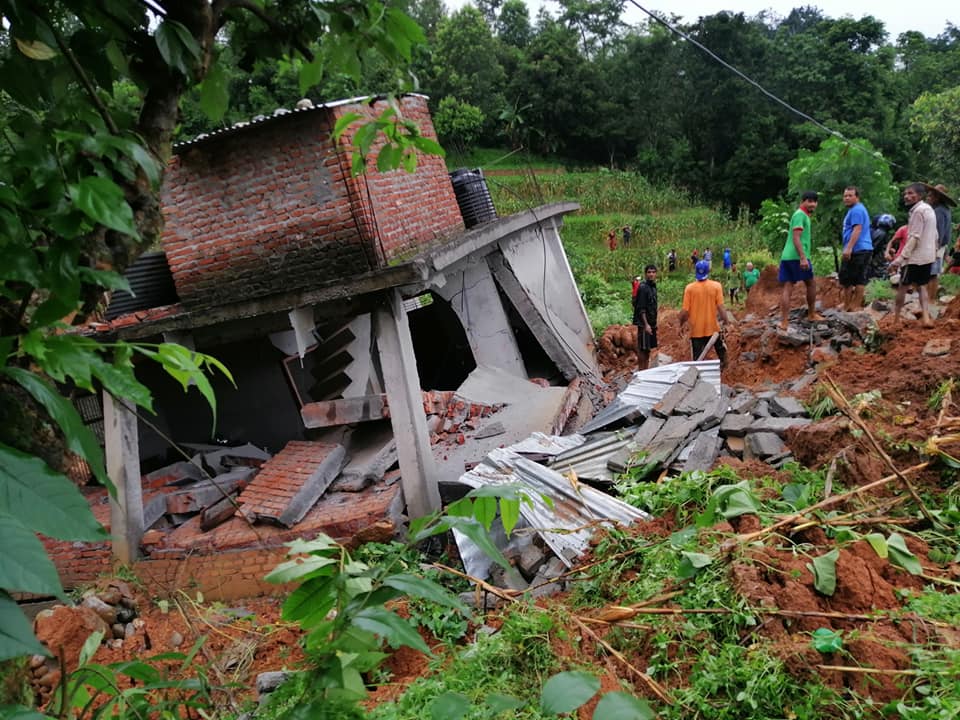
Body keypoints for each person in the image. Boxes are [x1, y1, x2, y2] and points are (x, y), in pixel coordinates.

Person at [891, 183, 938, 328]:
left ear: (920, 195)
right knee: (922, 286)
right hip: (927, 256)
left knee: (903, 286)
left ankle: (896, 319)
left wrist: (900, 258)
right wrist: (934, 251)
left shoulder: (918, 212)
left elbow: (914, 237)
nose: (907, 196)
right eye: (905, 193)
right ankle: (926, 317)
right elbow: (935, 234)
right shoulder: (929, 209)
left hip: (914, 258)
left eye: (911, 193)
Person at [779, 190, 824, 329]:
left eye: (815, 202)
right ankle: (811, 314)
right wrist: (803, 258)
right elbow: (796, 237)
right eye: (809, 201)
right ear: (802, 202)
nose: (813, 204)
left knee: (788, 286)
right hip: (797, 256)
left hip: (787, 256)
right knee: (811, 283)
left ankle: (784, 322)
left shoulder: (801, 215)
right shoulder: (800, 215)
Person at [679, 260, 734, 367]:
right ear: (708, 271)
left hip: (696, 330)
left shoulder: (689, 288)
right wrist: (727, 323)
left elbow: (685, 311)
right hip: (713, 329)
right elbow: (721, 307)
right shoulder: (716, 286)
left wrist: (680, 325)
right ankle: (725, 372)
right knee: (722, 355)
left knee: (698, 361)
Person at [838, 186, 872, 311]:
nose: (846, 198)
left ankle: (848, 306)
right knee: (859, 279)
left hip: (857, 249)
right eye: (845, 196)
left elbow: (857, 229)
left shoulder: (856, 210)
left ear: (857, 197)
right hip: (865, 248)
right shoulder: (858, 209)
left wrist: (849, 248)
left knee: (847, 279)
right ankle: (854, 306)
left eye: (850, 196)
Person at [925, 184, 956, 299]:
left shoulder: (939, 211)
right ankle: (929, 300)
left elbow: (938, 232)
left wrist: (934, 248)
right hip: (939, 246)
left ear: (937, 197)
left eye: (930, 196)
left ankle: (930, 300)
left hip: (935, 246)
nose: (927, 198)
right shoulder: (945, 210)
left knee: (932, 274)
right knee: (932, 274)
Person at [632, 264, 658, 370]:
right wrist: (646, 325)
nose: (651, 274)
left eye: (653, 272)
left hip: (651, 323)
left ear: (656, 274)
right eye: (649, 272)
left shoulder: (653, 287)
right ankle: (641, 371)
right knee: (642, 349)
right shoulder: (643, 288)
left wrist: (653, 324)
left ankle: (645, 371)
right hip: (644, 324)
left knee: (647, 349)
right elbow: (641, 308)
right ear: (645, 274)